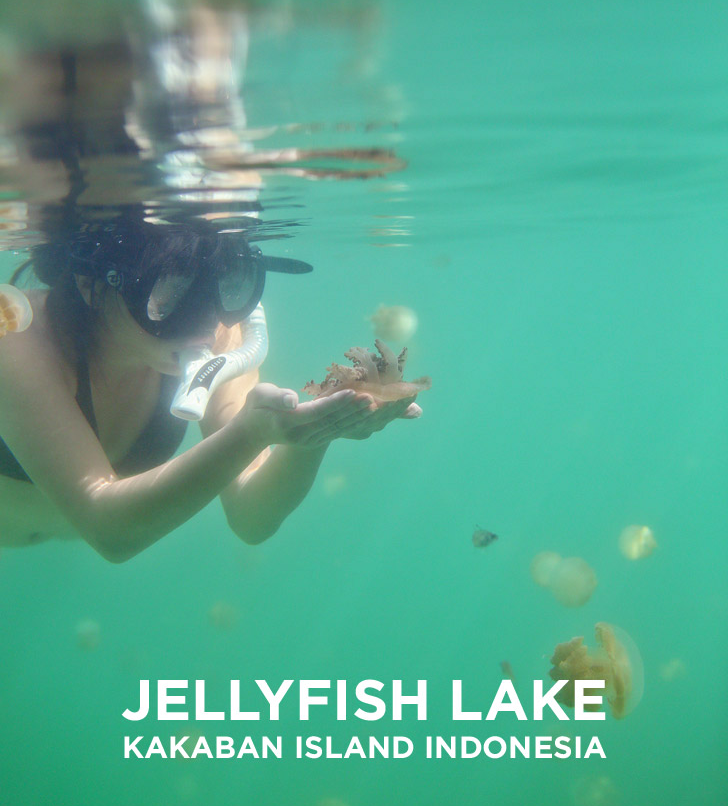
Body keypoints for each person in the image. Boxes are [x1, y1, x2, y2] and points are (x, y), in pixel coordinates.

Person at [0, 211, 422, 561]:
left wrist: (313, 435)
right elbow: (110, 531)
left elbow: (251, 517)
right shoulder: (17, 342)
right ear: (92, 283)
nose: (205, 323)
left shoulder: (220, 335)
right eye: (168, 292)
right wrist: (252, 432)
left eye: (227, 284)